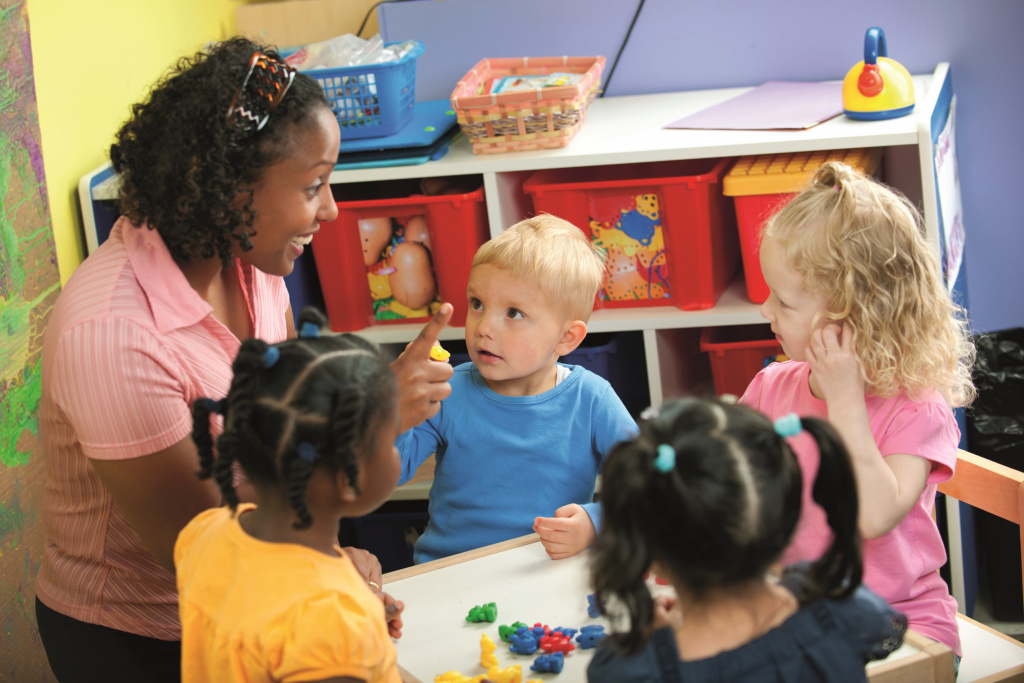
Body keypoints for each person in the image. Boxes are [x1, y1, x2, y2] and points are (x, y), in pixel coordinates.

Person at [35, 37, 452, 682]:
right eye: (314, 185)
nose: (333, 210)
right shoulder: (113, 337)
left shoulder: (253, 266)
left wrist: (333, 560)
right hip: (145, 639)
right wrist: (372, 421)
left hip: (258, 600)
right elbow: (208, 543)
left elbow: (280, 437)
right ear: (231, 190)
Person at [739, 161, 974, 666]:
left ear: (850, 317)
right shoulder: (770, 388)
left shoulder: (917, 407)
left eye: (782, 300)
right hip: (797, 614)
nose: (764, 310)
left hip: (902, 624)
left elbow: (872, 515)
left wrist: (845, 399)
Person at [586, 398, 907, 683]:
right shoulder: (839, 605)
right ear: (784, 518)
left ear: (649, 556)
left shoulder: (635, 670)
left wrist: (655, 640)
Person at [397, 215, 638, 563]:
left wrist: (595, 523)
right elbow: (391, 471)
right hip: (451, 572)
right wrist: (396, 406)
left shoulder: (592, 400)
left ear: (567, 337)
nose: (484, 327)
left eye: (513, 313)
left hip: (546, 572)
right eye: (477, 304)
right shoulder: (447, 390)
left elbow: (648, 487)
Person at [177, 313, 403, 682]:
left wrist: (359, 624)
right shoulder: (329, 621)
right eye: (393, 438)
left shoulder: (206, 530)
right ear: (349, 478)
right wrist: (350, 634)